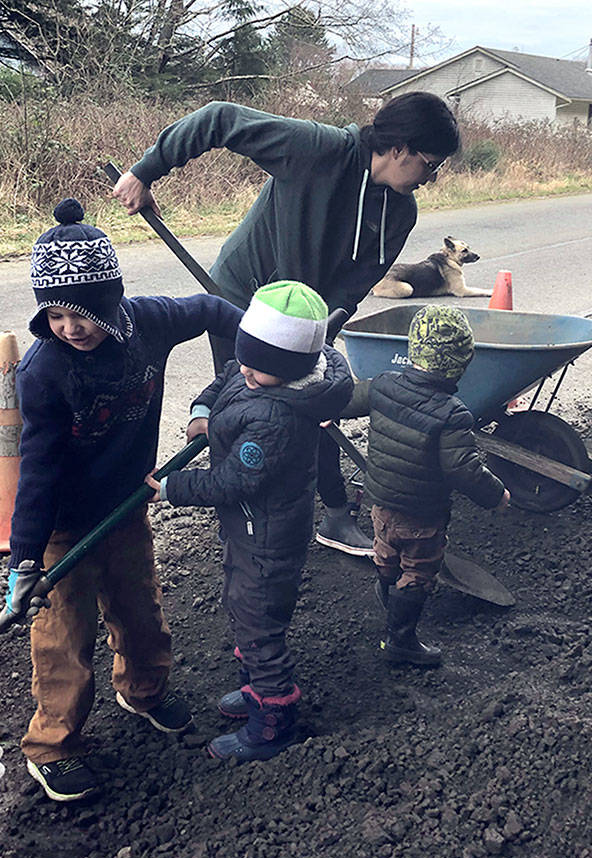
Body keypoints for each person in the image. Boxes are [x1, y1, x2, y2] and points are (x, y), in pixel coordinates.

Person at [112, 94, 461, 559]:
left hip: (305, 319)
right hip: (244, 302)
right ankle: (240, 528)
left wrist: (320, 333)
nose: (431, 177)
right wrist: (145, 171)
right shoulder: (317, 148)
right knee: (248, 409)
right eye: (430, 163)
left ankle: (334, 514)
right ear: (400, 148)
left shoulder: (400, 211)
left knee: (313, 403)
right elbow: (221, 118)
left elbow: (356, 285)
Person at [3, 197, 244, 801]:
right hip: (64, 522)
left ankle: (144, 690)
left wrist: (251, 367)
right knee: (65, 633)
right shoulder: (44, 370)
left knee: (139, 606)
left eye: (81, 312)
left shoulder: (150, 322)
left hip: (128, 503)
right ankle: (52, 744)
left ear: (111, 297)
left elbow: (217, 310)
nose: (69, 327)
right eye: (53, 315)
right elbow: (36, 470)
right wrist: (23, 560)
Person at [147, 281, 353, 761]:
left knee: (258, 621)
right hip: (249, 529)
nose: (244, 369)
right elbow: (227, 377)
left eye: (255, 367)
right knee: (242, 607)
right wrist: (202, 410)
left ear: (288, 370)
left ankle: (273, 720)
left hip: (268, 536)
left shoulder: (277, 420)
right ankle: (254, 687)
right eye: (245, 359)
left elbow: (233, 481)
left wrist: (174, 488)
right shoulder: (262, 373)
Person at [339, 305, 511, 666]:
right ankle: (400, 641)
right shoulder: (453, 414)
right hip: (422, 516)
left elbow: (347, 399)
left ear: (413, 349)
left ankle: (388, 597)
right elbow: (463, 469)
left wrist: (325, 409)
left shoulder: (383, 384)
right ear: (461, 361)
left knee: (386, 552)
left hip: (380, 503)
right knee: (418, 571)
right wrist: (496, 495)